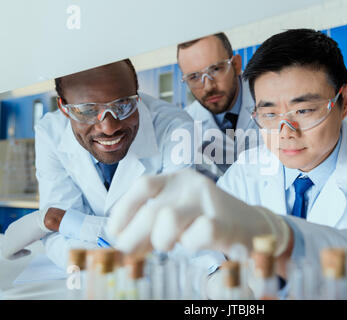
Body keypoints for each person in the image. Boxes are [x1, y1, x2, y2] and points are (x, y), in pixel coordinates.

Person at [106, 29, 347, 299]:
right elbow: (202, 256)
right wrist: (215, 281)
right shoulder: (247, 170)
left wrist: (283, 239)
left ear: (344, 100)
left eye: (304, 110)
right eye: (269, 114)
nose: (285, 132)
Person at [1, 59, 224, 270]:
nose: (108, 127)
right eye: (87, 110)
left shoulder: (175, 128)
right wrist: (102, 260)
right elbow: (60, 240)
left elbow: (170, 232)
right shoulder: (51, 133)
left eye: (123, 105)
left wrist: (62, 220)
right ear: (63, 107)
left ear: (137, 96)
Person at [177, 32, 259, 177]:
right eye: (194, 77)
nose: (208, 86)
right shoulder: (187, 122)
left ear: (236, 65)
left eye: (215, 69)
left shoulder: (267, 99)